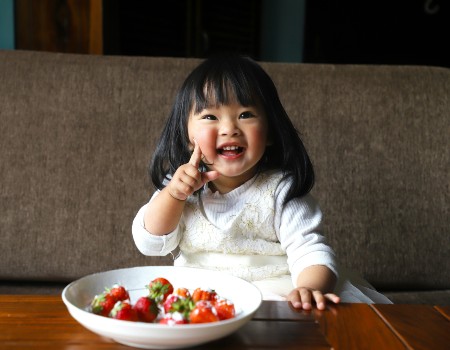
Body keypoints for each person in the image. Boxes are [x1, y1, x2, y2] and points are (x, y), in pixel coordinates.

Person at [132, 54, 391, 309]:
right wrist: (174, 195)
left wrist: (309, 289)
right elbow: (149, 243)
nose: (229, 128)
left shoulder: (280, 190)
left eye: (245, 114)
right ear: (187, 136)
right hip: (201, 300)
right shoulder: (177, 187)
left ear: (269, 133)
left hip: (272, 295)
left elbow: (310, 251)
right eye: (211, 117)